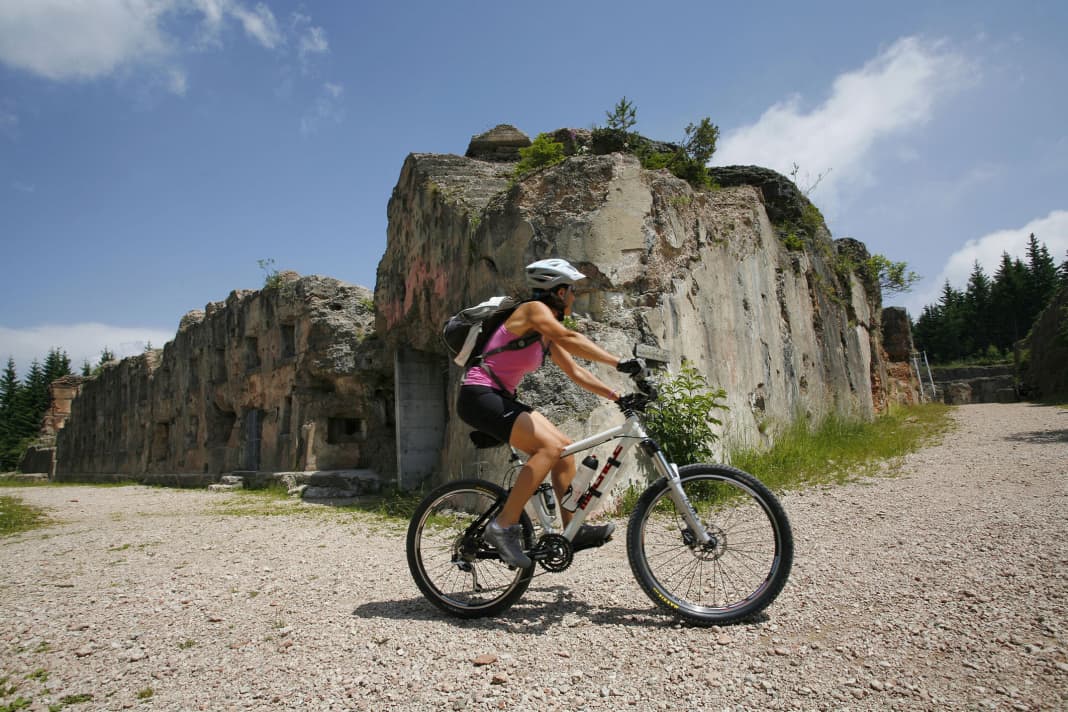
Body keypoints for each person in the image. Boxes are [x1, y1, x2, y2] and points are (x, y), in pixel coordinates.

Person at [456, 258, 643, 568]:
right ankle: (503, 526)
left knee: (565, 451)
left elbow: (575, 370)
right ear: (557, 291)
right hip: (479, 395)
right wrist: (618, 362)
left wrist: (616, 395)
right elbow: (571, 338)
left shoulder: (544, 334)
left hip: (498, 396)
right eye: (571, 291)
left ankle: (574, 528)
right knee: (550, 447)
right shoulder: (533, 311)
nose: (574, 297)